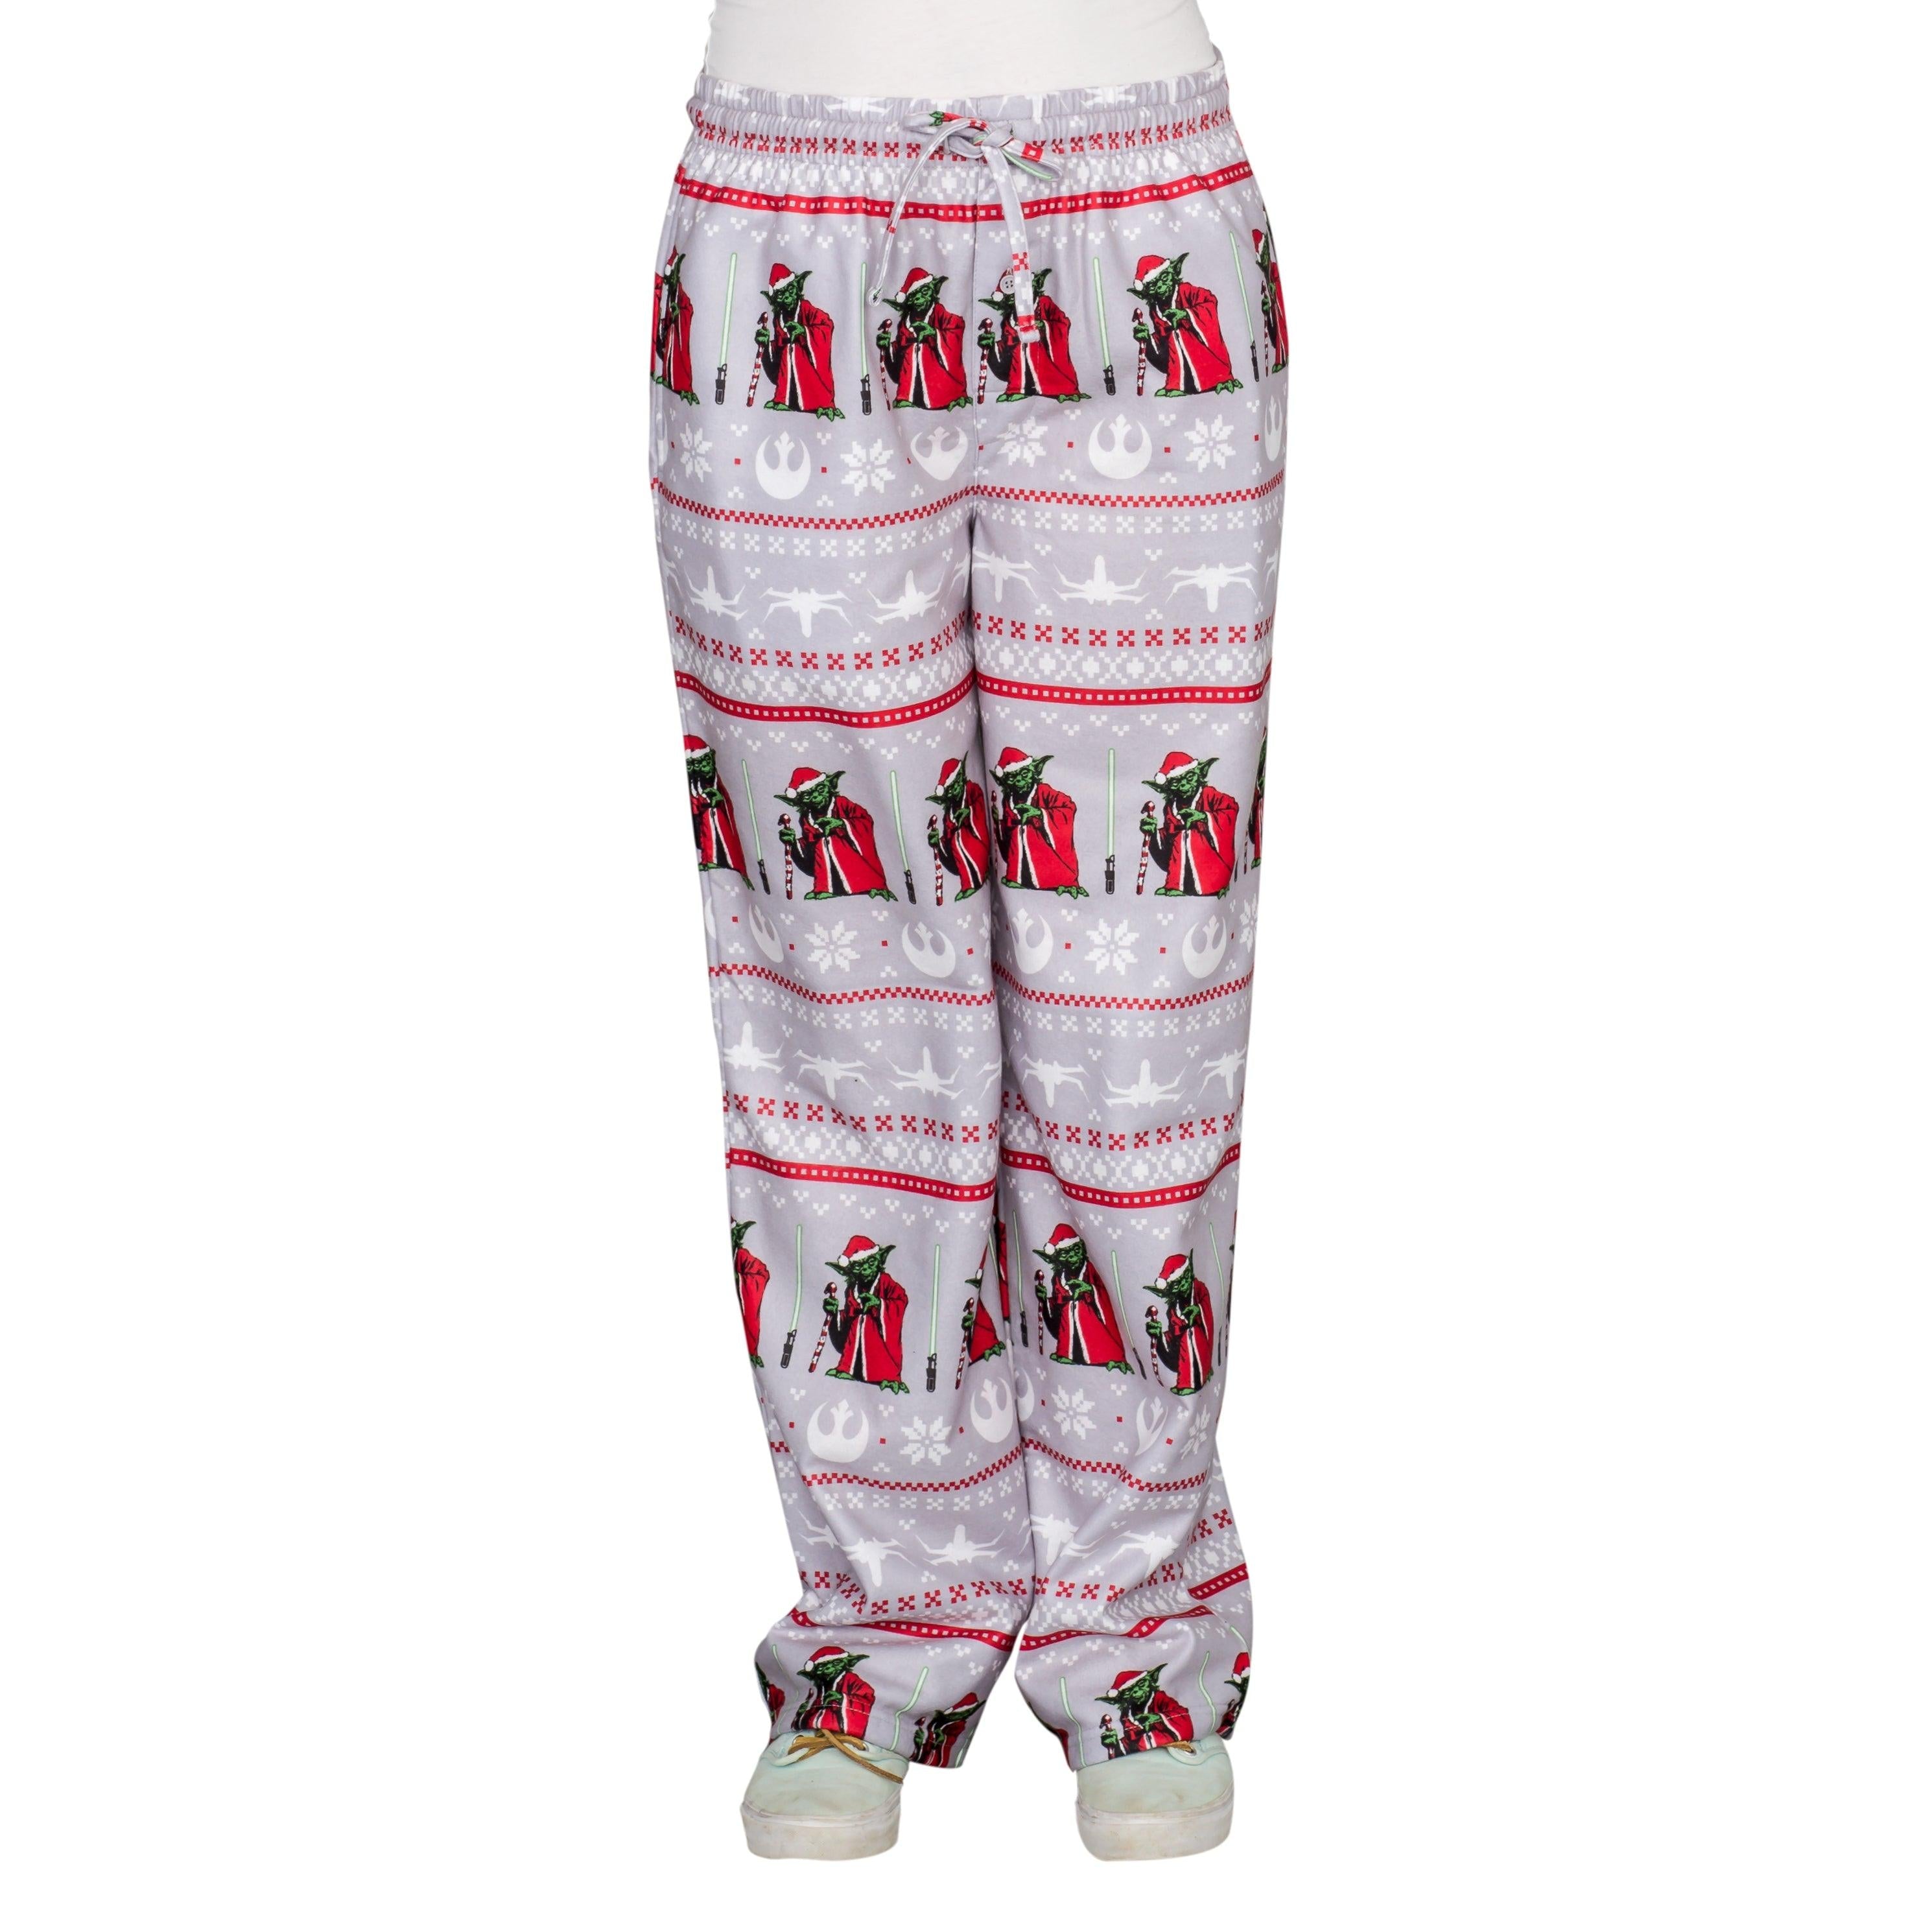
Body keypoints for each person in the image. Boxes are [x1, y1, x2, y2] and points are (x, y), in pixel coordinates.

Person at [657, 0, 1279, 1863]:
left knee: (1142, 985)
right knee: (832, 977)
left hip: (1135, 199)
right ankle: (879, 1620)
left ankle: (1138, 1628)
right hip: (784, 188)